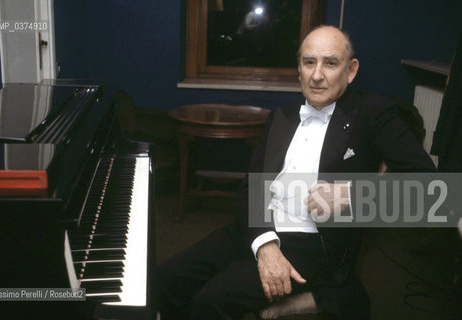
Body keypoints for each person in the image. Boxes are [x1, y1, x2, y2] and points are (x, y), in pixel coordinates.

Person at [151, 25, 436, 320]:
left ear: (350, 71)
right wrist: (265, 244)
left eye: (330, 63)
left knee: (208, 303)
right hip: (254, 229)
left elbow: (430, 188)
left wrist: (353, 194)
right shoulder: (281, 118)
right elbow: (252, 188)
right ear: (298, 68)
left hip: (311, 244)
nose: (316, 75)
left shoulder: (373, 112)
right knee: (161, 283)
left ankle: (327, 295)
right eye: (309, 62)